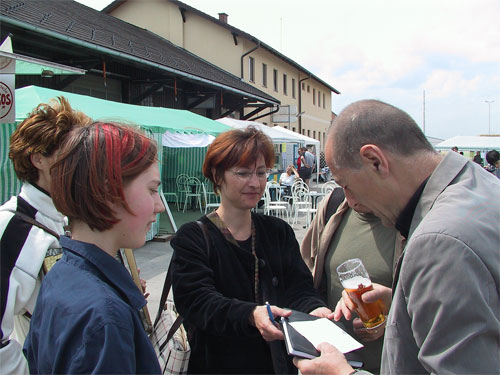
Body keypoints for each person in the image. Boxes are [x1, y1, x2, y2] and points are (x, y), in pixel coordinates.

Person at [294, 99, 500, 374]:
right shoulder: (481, 187)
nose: (351, 200)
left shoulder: (438, 243)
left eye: (347, 185)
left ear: (375, 161)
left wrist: (343, 374)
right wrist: (404, 303)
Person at [170, 126, 332, 374]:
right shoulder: (194, 236)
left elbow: (299, 287)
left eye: (261, 172)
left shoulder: (278, 231)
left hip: (277, 364)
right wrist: (250, 314)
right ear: (217, 174)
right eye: (243, 173)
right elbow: (195, 300)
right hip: (218, 364)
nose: (255, 183)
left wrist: (314, 309)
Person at [23, 122, 164, 374]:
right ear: (108, 192)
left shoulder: (60, 273)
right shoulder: (105, 317)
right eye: (152, 190)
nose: (159, 205)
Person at [0, 97, 90, 374]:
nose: (80, 165)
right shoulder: (12, 226)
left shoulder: (66, 215)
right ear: (37, 159)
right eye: (69, 155)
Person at [301, 188, 404, 373]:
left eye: (356, 185)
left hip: (385, 365)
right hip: (330, 362)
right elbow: (305, 272)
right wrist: (313, 306)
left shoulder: (411, 221)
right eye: (344, 185)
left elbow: (428, 308)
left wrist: (389, 321)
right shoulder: (335, 205)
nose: (351, 197)